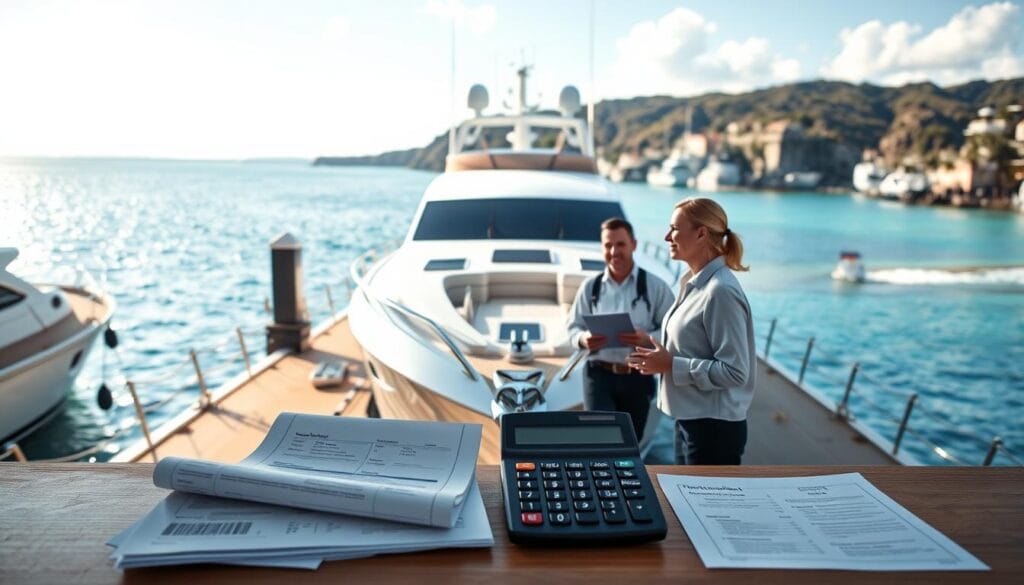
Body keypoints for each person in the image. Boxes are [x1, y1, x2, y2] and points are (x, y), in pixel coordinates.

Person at [628, 198, 755, 465]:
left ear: (701, 234)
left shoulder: (720, 292)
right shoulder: (693, 283)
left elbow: (735, 372)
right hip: (691, 421)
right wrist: (659, 358)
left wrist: (671, 364)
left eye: (674, 228)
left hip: (713, 430)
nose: (667, 237)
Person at [566, 217, 674, 441]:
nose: (614, 251)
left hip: (638, 376)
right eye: (608, 245)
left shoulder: (656, 288)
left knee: (631, 441)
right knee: (599, 439)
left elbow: (673, 333)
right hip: (598, 376)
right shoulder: (590, 288)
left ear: (634, 245)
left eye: (620, 244)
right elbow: (573, 328)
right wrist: (584, 339)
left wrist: (646, 339)